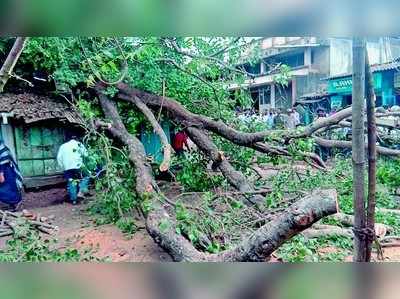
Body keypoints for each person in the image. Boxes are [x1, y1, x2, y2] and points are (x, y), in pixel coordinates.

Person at [57, 134, 89, 204]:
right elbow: (86, 155)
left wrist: (63, 168)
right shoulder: (79, 144)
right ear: (76, 139)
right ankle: (81, 192)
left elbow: (59, 158)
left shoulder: (62, 146)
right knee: (86, 176)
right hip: (78, 166)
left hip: (67, 168)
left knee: (71, 182)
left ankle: (74, 200)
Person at [0, 142, 23, 211]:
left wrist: (1, 173)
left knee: (8, 187)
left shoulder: (1, 146)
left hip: (5, 170)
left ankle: (16, 203)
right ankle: (12, 204)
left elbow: (5, 158)